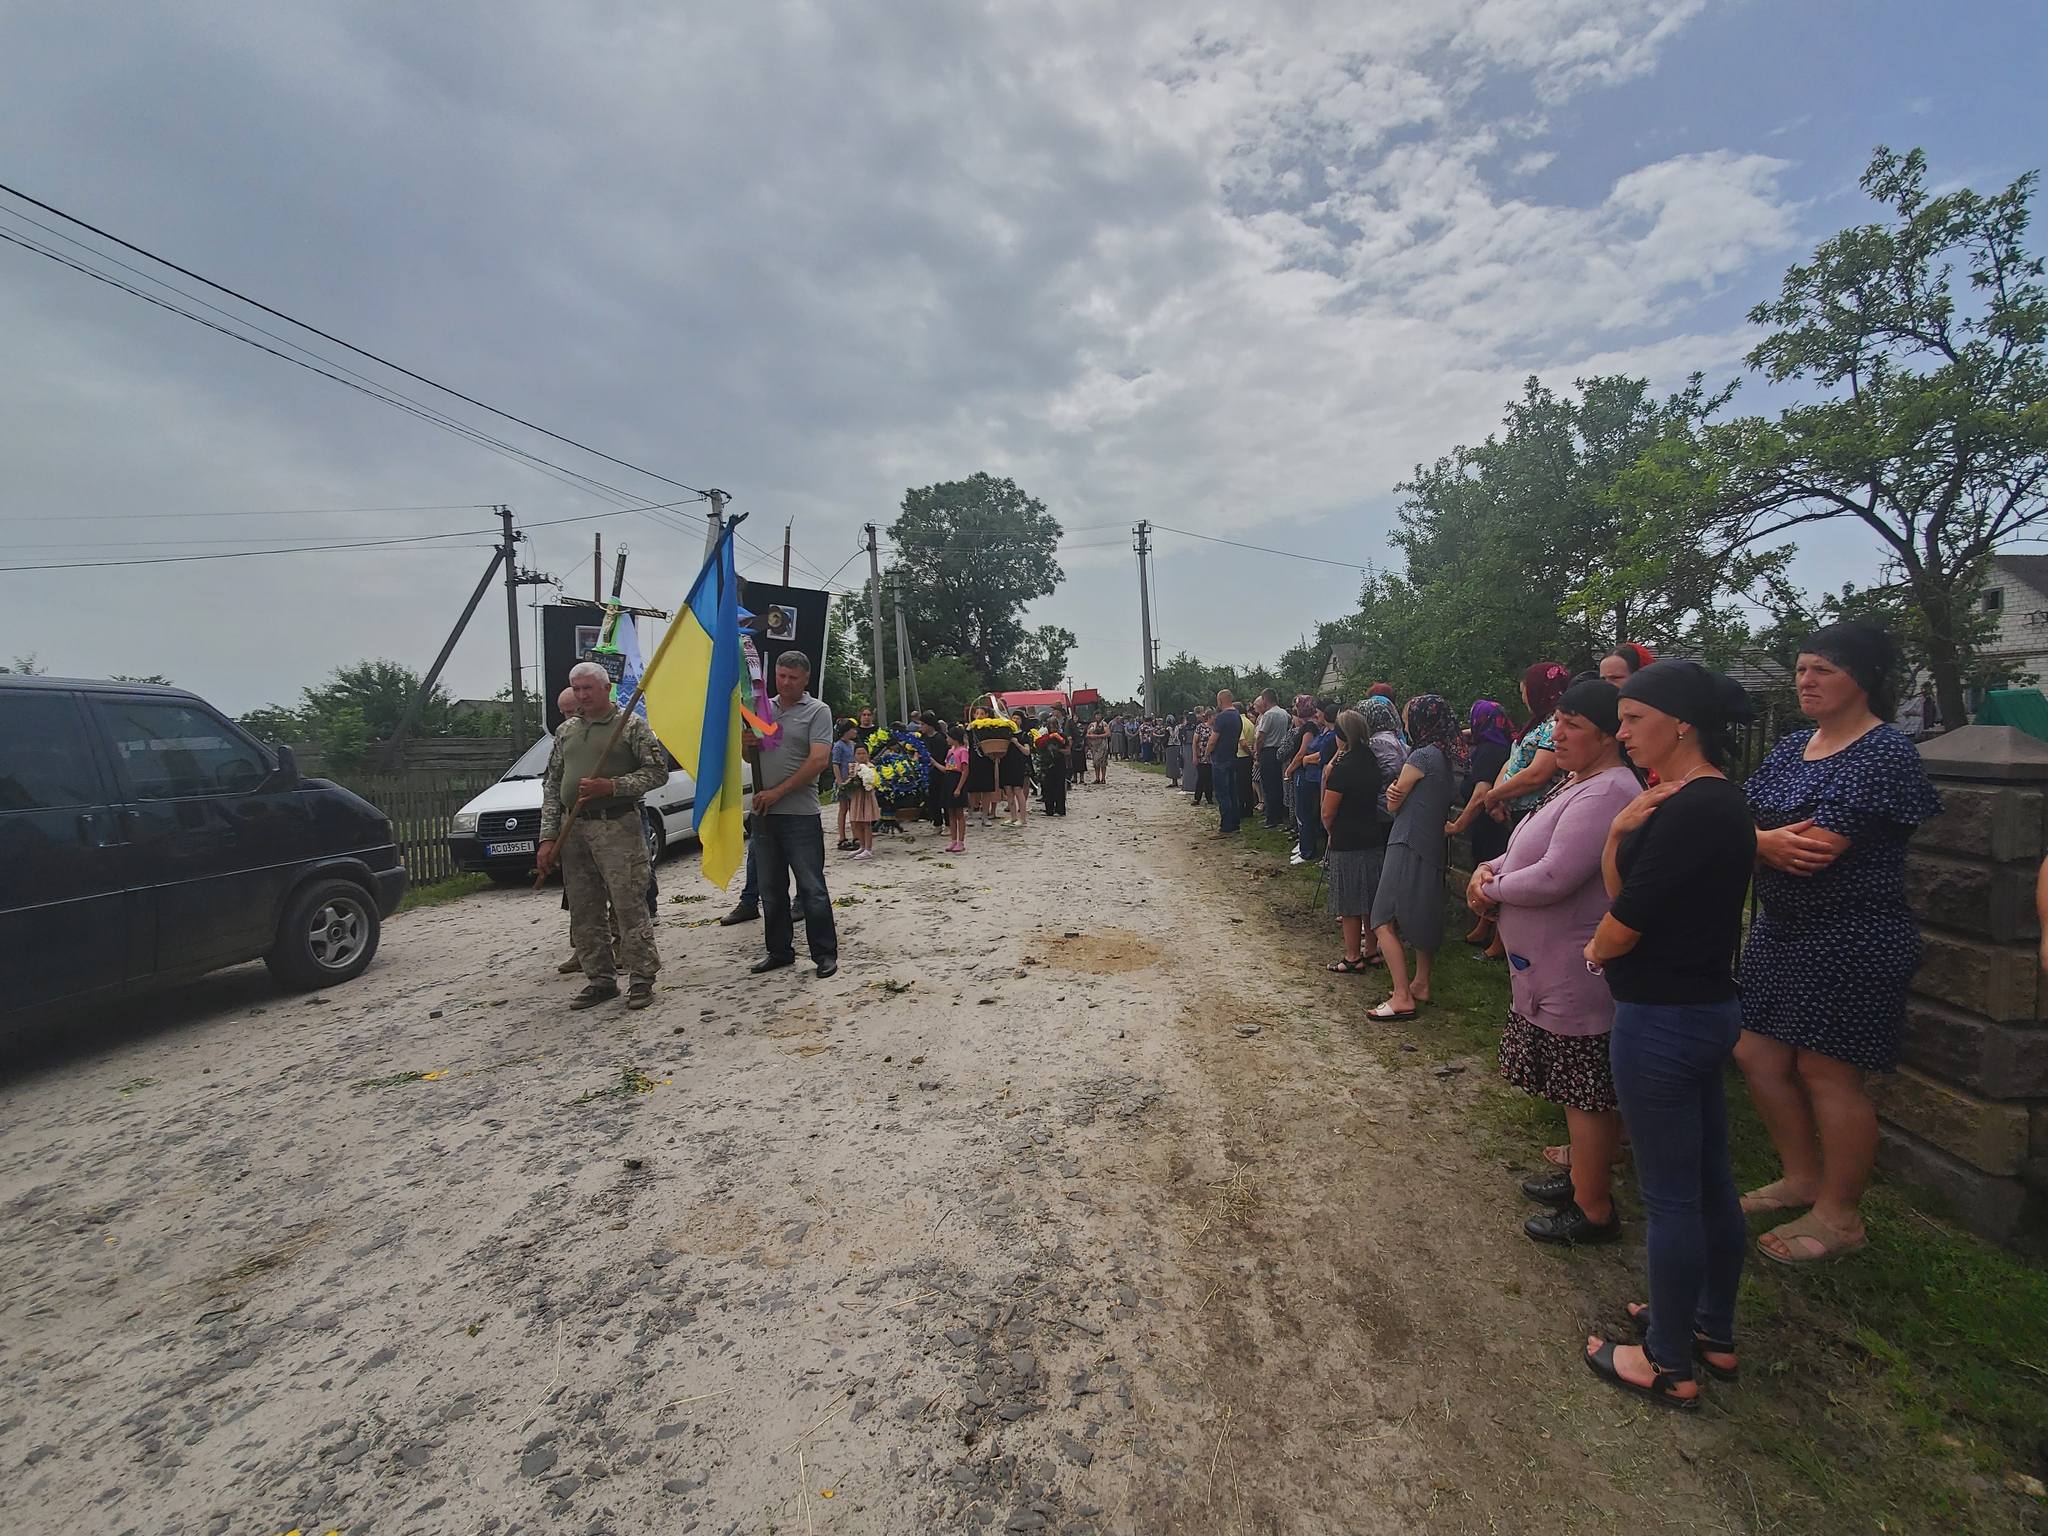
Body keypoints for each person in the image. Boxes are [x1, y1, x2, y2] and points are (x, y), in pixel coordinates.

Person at [1734, 621, 1942, 1264]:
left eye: (1823, 669)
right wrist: (1758, 840)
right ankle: (1801, 1177)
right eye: (1802, 669)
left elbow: (1813, 851)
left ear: (1865, 678)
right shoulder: (1791, 746)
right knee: (1755, 1053)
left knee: (1828, 1072)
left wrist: (1753, 842)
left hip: (1853, 934)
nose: (1806, 680)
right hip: (1781, 929)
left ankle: (1841, 1215)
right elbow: (1736, 818)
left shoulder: (1884, 753)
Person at [1581, 660, 1757, 1410]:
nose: (1622, 733)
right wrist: (1619, 831)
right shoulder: (1707, 802)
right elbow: (1631, 889)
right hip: (1703, 1008)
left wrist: (1596, 950)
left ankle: (1666, 1361)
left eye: (1633, 720)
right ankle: (1707, 1327)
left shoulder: (1693, 809)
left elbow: (1626, 920)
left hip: (1663, 1018)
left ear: (1681, 723)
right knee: (1710, 1181)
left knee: (1672, 1196)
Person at [1472, 679, 1640, 1245]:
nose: (1557, 734)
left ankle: (1593, 1209)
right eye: (1557, 722)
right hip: (1550, 963)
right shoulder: (1580, 780)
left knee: (1586, 1091)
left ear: (1608, 735)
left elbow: (1555, 875)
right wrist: (1489, 868)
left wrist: (1490, 891)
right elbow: (1526, 848)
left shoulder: (1608, 792)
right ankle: (1581, 1180)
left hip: (1575, 967)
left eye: (1572, 725)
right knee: (1576, 1090)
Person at [536, 662, 667, 1010]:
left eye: (588, 689)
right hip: (573, 829)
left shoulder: (631, 726)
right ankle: (600, 980)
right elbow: (552, 785)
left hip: (617, 827)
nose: (581, 696)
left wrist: (612, 786)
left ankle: (641, 978)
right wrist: (548, 837)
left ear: (606, 689)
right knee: (584, 908)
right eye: (576, 689)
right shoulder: (566, 731)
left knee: (627, 905)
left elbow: (657, 772)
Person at [744, 650, 838, 979]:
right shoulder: (762, 709)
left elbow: (818, 761)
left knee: (812, 888)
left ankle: (824, 954)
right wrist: (746, 743)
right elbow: (752, 756)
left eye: (793, 678)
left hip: (800, 815)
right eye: (781, 676)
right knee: (771, 889)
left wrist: (779, 792)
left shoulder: (817, 711)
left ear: (805, 679)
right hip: (764, 814)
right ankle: (779, 951)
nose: (785, 683)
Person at [1368, 695, 1458, 1020]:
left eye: (1408, 717)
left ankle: (1401, 995)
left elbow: (1393, 803)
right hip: (1431, 843)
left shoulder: (1421, 756)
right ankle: (1421, 983)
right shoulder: (1444, 756)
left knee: (1381, 918)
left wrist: (1395, 794)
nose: (1405, 724)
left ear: (1421, 720)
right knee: (1424, 912)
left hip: (1406, 840)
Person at [1446, 700, 1515, 955]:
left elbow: (1480, 795)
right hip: (1486, 825)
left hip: (1490, 826)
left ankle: (1498, 942)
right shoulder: (1498, 743)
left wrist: (1456, 826)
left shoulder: (1489, 752)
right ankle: (1483, 927)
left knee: (1492, 880)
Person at [1321, 710, 1387, 975]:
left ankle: (1352, 956)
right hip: (1372, 835)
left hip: (1347, 838)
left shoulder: (1343, 769)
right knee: (1370, 898)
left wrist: (1330, 831)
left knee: (1349, 901)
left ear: (1341, 736)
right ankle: (1371, 950)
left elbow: (1328, 812)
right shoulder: (1372, 762)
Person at [1484, 662, 1572, 823]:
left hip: (1537, 812)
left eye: (1524, 692)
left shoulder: (1556, 725)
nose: (1524, 699)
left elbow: (1537, 774)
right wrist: (1499, 795)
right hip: (1514, 809)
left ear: (1538, 691)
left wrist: (1493, 796)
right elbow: (1513, 760)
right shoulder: (1536, 723)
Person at [1206, 691, 1243, 834]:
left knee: (1222, 793)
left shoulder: (1222, 717)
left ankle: (1226, 825)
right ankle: (1235, 823)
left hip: (1220, 758)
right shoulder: (1237, 716)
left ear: (1221, 700)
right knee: (1233, 792)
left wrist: (1207, 752)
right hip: (1232, 756)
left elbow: (1213, 740)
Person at [1255, 691, 1290, 828]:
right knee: (1278, 784)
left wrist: (1257, 753)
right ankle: (1279, 814)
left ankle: (1271, 817)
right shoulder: (1284, 714)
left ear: (1265, 699)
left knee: (1268, 786)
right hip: (1280, 750)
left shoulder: (1268, 715)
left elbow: (1261, 737)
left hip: (1268, 750)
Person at [841, 743, 881, 860]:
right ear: (854, 755)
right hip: (856, 797)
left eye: (864, 753)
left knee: (866, 823)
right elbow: (849, 779)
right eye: (858, 753)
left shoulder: (870, 767)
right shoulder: (853, 766)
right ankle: (862, 845)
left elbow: (873, 782)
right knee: (856, 822)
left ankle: (868, 848)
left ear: (868, 754)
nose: (861, 756)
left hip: (866, 797)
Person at [940, 725, 971, 852]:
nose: (947, 739)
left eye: (948, 737)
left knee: (959, 813)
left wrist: (959, 788)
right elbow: (946, 767)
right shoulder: (950, 751)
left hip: (957, 780)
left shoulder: (963, 751)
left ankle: (961, 841)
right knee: (950, 813)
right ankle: (953, 840)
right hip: (948, 779)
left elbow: (965, 771)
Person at [832, 719, 861, 851]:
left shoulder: (853, 745)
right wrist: (840, 782)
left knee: (853, 809)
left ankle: (856, 836)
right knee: (843, 809)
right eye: (853, 729)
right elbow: (836, 764)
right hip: (844, 781)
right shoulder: (838, 746)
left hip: (853, 781)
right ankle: (842, 837)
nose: (855, 731)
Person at [1037, 721, 1069, 818]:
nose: (1054, 728)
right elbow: (1038, 744)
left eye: (1055, 726)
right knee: (1047, 788)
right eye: (1051, 726)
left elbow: (1067, 750)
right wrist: (1050, 737)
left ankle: (1060, 810)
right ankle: (1049, 810)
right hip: (1047, 765)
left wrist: (1057, 749)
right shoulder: (1045, 737)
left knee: (1059, 788)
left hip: (1060, 765)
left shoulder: (1062, 736)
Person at [1087, 715, 1110, 784]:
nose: (1098, 717)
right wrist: (1092, 736)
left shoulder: (1104, 724)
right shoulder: (1092, 725)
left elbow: (1108, 733)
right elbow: (1087, 734)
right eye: (1096, 715)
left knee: (1103, 763)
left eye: (1099, 715)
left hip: (1102, 745)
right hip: (1095, 746)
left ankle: (1103, 778)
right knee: (1096, 763)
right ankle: (1097, 778)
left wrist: (1098, 736)